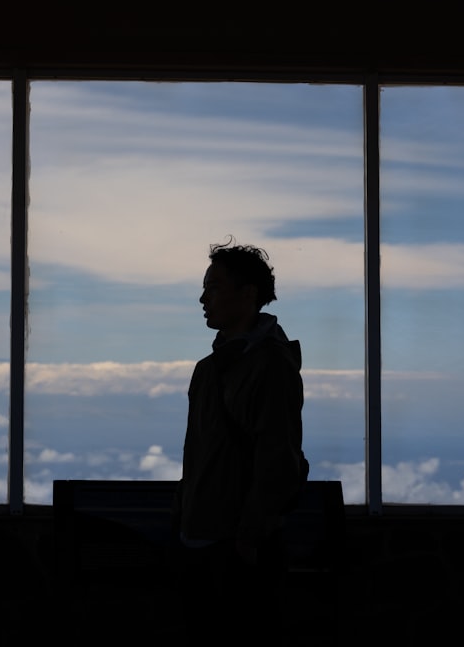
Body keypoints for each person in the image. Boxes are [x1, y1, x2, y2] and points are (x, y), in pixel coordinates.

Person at [173, 239, 307, 645]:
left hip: (234, 547)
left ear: (248, 295)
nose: (202, 298)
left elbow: (277, 457)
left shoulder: (269, 367)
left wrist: (248, 538)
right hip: (207, 537)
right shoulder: (211, 369)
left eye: (213, 288)